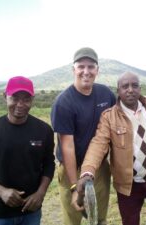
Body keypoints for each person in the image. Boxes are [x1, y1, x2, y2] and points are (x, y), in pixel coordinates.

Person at [75, 71, 146, 225]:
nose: (130, 90)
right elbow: (98, 144)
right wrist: (87, 172)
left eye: (134, 85)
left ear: (140, 89)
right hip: (129, 187)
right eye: (125, 86)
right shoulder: (109, 117)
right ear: (118, 91)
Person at [0, 76, 55, 225]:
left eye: (26, 99)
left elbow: (49, 164)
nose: (20, 104)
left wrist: (40, 193)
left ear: (32, 99)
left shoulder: (44, 130)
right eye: (15, 98)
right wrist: (1, 191)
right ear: (5, 97)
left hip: (32, 209)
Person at [50, 47, 116, 225]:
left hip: (99, 167)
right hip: (73, 168)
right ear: (74, 70)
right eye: (81, 67)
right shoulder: (64, 102)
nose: (86, 71)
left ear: (97, 70)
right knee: (73, 217)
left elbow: (118, 124)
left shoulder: (106, 94)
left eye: (91, 67)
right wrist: (73, 187)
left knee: (99, 216)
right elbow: (67, 147)